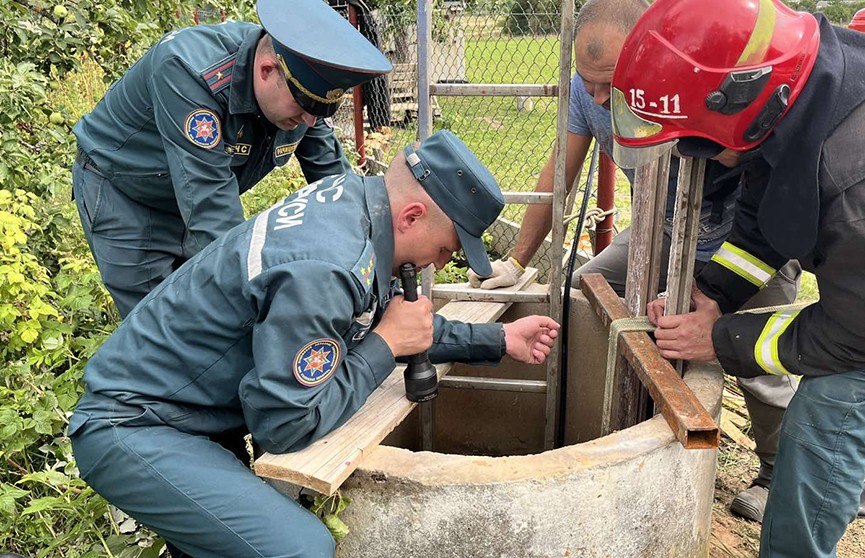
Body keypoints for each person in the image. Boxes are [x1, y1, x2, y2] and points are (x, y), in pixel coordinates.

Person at [68, 130, 560, 557]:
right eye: (446, 247)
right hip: (136, 424)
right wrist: (384, 347)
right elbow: (284, 422)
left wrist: (498, 337)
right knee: (301, 547)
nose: (436, 263)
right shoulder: (327, 268)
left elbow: (386, 319)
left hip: (187, 412)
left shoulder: (356, 204)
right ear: (412, 215)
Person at [468, 0, 800, 524]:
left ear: (649, 57)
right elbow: (562, 170)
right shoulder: (588, 90)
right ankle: (607, 415)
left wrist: (718, 295)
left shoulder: (693, 82)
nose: (598, 97)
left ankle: (776, 473)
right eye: (587, 81)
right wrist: (515, 259)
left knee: (759, 363)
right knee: (585, 288)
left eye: (610, 84)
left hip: (747, 241)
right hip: (658, 228)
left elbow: (777, 188)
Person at [611, 0, 865, 555]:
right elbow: (764, 221)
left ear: (743, 102)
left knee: (826, 419)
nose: (694, 155)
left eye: (701, 141)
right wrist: (713, 295)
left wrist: (723, 340)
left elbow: (854, 335)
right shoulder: (800, 97)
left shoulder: (853, 186)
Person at [72, 0, 393, 318]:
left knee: (214, 311)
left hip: (193, 188)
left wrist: (376, 270)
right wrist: (275, 303)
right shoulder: (188, 70)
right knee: (163, 324)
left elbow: (336, 186)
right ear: (267, 71)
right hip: (127, 191)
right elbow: (211, 210)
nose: (311, 121)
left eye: (323, 109)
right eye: (306, 105)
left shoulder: (302, 93)